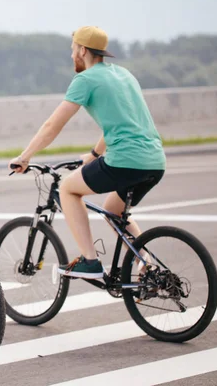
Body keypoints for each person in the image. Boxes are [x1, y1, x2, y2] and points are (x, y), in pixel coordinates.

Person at [9, 26, 166, 279]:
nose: (72, 56)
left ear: (82, 50)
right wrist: (94, 154)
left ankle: (90, 262)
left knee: (68, 190)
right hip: (155, 161)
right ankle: (147, 264)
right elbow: (120, 121)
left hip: (125, 160)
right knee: (114, 211)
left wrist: (24, 157)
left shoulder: (85, 80)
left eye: (73, 50)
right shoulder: (124, 75)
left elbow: (52, 126)